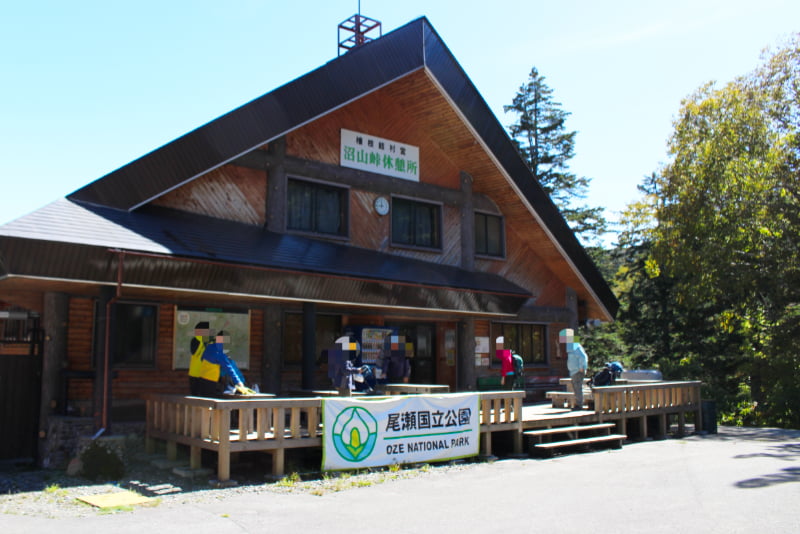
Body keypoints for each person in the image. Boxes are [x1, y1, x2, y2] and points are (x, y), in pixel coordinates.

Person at [196, 330, 255, 397]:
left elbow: (202, 358)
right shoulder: (219, 353)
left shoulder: (209, 347)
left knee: (202, 401)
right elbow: (229, 368)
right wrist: (239, 382)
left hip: (201, 377)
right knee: (209, 402)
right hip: (210, 381)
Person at [560, 328, 588, 410]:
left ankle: (579, 405)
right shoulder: (571, 346)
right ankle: (578, 404)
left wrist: (581, 367)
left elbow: (583, 357)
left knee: (578, 387)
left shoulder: (575, 346)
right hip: (573, 371)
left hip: (577, 371)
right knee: (575, 388)